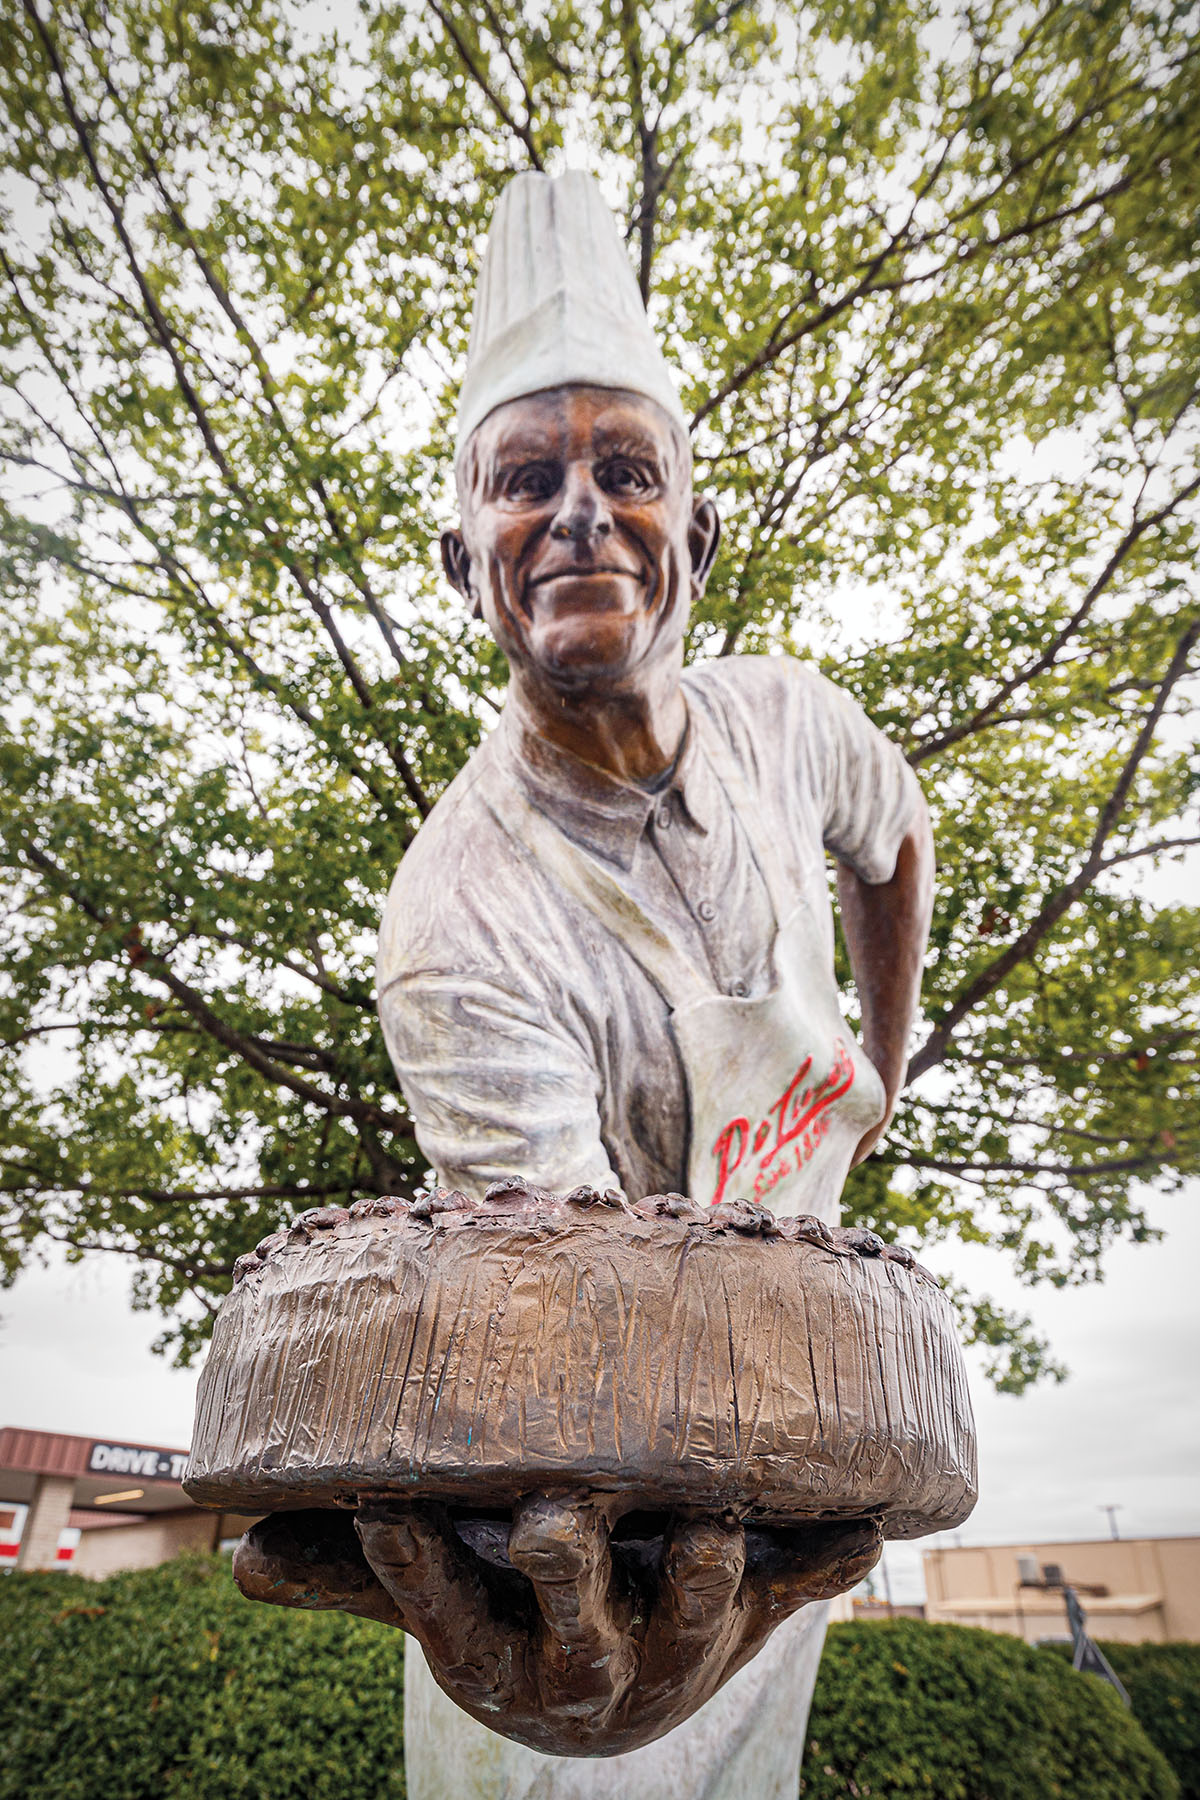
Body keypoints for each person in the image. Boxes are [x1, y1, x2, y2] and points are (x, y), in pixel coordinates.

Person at [238, 170, 934, 1800]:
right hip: (591, 1519)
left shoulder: (789, 723)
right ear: (459, 553)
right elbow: (593, 1321)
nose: (578, 511)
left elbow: (895, 844)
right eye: (523, 477)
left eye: (627, 468)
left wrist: (880, 1076)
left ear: (698, 529)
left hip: (792, 1415)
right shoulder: (458, 926)